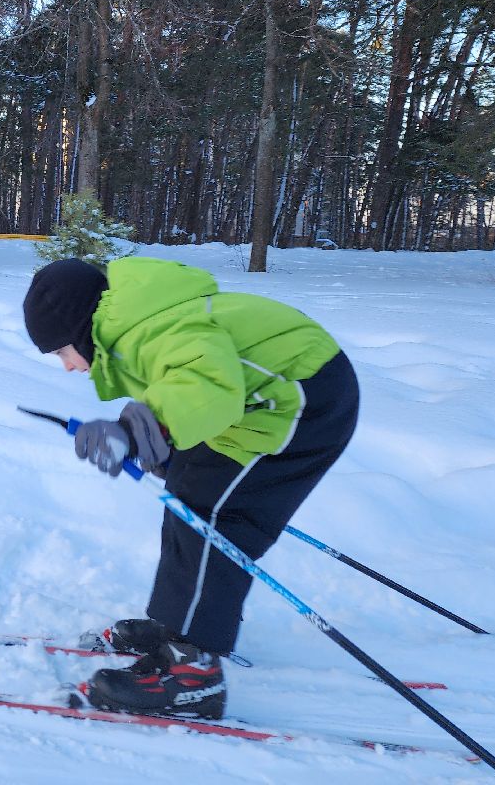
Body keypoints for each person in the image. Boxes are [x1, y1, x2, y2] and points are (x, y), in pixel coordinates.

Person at [22, 255, 359, 720]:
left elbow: (205, 383)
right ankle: (181, 627)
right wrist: (159, 446)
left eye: (62, 351)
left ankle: (193, 674)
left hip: (300, 402)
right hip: (260, 401)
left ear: (79, 329)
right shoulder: (137, 318)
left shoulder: (146, 329)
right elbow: (191, 389)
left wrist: (134, 432)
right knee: (189, 491)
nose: (66, 366)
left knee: (209, 516)